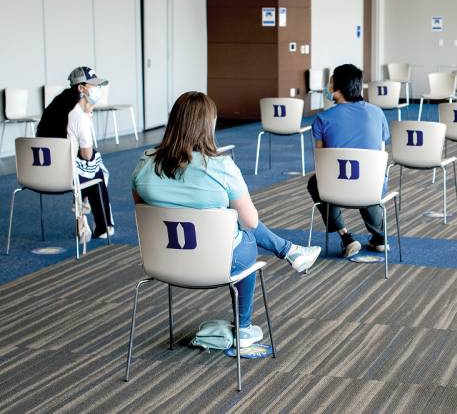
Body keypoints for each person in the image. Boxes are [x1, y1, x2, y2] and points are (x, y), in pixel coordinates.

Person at [131, 91, 321, 348]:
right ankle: (244, 327)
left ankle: (292, 252)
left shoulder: (144, 165)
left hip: (164, 261)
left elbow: (144, 215)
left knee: (238, 227)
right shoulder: (221, 167)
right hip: (216, 264)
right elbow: (252, 221)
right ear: (209, 125)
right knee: (247, 233)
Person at [307, 64, 390, 258]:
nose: (327, 84)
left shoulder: (322, 118)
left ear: (338, 86)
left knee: (317, 182)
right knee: (370, 177)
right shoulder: (377, 113)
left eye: (330, 81)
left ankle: (346, 237)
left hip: (337, 187)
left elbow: (321, 162)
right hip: (372, 187)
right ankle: (379, 238)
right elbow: (381, 151)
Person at [36, 66, 114, 241]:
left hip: (39, 172)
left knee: (90, 164)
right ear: (81, 88)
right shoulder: (78, 114)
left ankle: (84, 206)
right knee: (96, 166)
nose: (97, 90)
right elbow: (86, 155)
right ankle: (103, 226)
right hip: (64, 175)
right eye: (93, 85)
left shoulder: (57, 104)